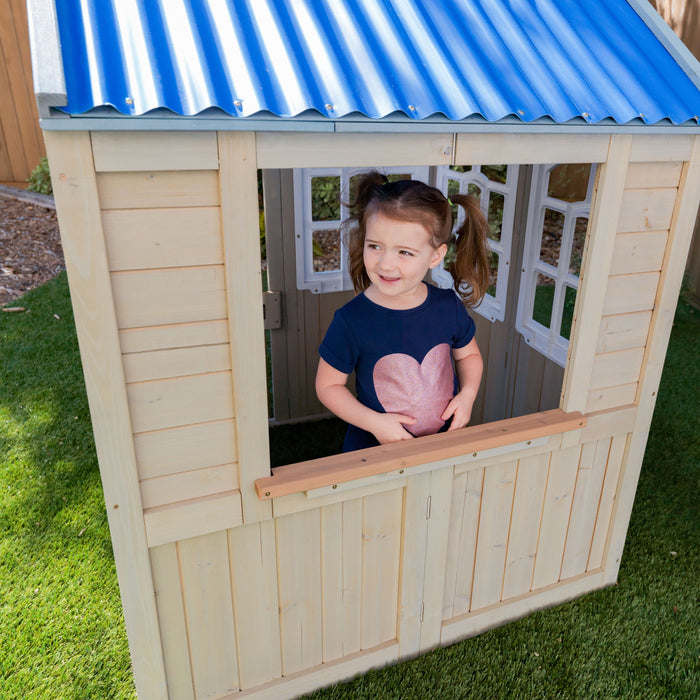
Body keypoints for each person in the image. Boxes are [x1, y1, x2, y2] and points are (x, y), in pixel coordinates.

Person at [315, 171, 490, 452]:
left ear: (435, 256)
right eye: (375, 246)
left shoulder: (448, 307)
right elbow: (328, 387)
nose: (385, 264)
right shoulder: (351, 320)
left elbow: (469, 354)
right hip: (373, 453)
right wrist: (374, 423)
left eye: (404, 252)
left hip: (441, 447)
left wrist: (468, 395)